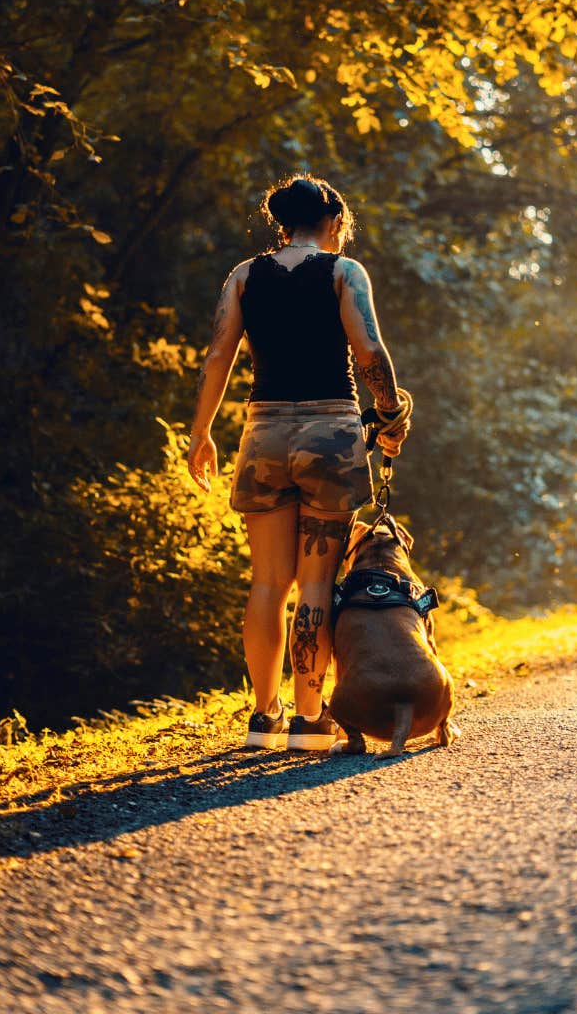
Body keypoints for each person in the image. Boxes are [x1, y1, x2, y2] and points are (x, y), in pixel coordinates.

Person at [187, 175, 409, 750]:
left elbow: (217, 355)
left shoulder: (243, 275)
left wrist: (201, 433)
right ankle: (309, 720)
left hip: (263, 435)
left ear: (281, 222)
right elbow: (369, 350)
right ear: (333, 221)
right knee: (315, 582)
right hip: (331, 436)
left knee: (267, 582)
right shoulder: (343, 272)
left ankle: (264, 717)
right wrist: (390, 414)